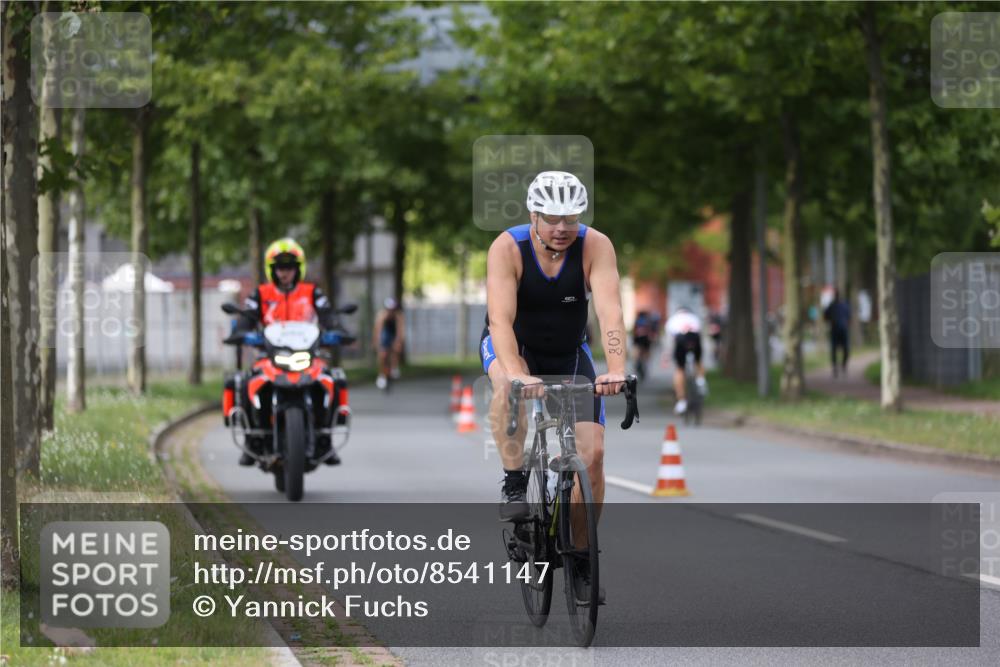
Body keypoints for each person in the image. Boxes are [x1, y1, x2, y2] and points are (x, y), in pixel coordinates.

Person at [482, 170, 626, 603]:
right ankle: (513, 480)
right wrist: (517, 372)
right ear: (534, 214)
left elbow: (611, 312)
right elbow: (500, 321)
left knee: (594, 455)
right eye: (552, 218)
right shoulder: (508, 248)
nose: (562, 227)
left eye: (571, 217)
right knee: (507, 384)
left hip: (569, 352)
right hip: (515, 345)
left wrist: (615, 368)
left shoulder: (595, 245)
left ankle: (581, 556)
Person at [235, 238, 340, 465]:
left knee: (332, 380)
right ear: (271, 270)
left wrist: (336, 330)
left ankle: (325, 440)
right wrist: (242, 332)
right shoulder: (260, 294)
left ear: (298, 269)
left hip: (308, 357)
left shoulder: (312, 292)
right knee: (247, 384)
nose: (285, 273)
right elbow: (246, 319)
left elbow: (328, 316)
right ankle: (252, 440)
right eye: (280, 268)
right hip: (269, 358)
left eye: (289, 267)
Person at [665, 306, 707, 415]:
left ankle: (681, 401)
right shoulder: (694, 317)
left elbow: (670, 340)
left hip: (680, 340)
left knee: (679, 369)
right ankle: (701, 381)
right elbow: (701, 333)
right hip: (694, 338)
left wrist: (666, 355)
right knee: (698, 362)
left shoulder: (672, 320)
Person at [373, 297, 405, 389]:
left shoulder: (399, 315)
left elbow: (400, 331)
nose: (391, 312)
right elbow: (378, 330)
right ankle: (381, 375)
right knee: (382, 354)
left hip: (394, 332)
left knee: (396, 349)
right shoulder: (381, 315)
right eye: (389, 310)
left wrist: (398, 342)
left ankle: (394, 367)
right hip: (385, 332)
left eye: (392, 310)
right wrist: (377, 343)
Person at [823, 289, 851, 377]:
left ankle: (843, 365)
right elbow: (825, 316)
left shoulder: (844, 305)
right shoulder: (832, 306)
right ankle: (835, 367)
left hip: (843, 330)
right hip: (835, 330)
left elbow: (849, 316)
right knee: (834, 350)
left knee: (845, 349)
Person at [631, 310, 655, 380]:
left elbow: (634, 332)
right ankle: (644, 365)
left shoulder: (637, 321)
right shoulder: (648, 321)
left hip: (638, 340)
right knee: (646, 356)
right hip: (646, 341)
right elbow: (651, 332)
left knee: (637, 355)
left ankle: (637, 363)